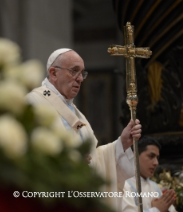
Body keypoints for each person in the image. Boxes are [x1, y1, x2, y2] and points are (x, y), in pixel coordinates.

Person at [26, 48, 142, 211]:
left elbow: (91, 159)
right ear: (53, 73)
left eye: (82, 73)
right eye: (74, 71)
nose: (80, 79)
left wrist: (121, 144)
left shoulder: (76, 113)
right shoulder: (34, 103)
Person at [122, 137, 177, 212]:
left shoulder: (154, 187)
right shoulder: (123, 184)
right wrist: (156, 210)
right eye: (151, 156)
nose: (156, 163)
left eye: (157, 158)